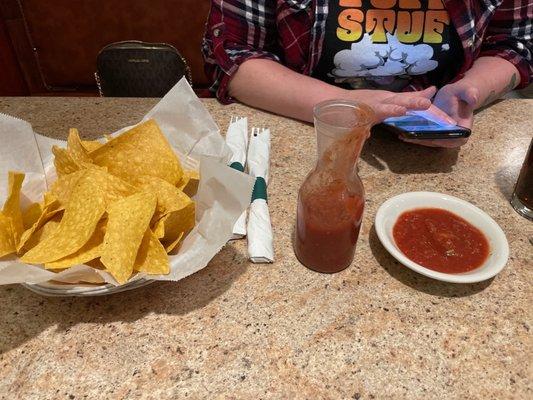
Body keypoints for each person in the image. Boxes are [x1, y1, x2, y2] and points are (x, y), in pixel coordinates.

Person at [202, 0, 532, 147]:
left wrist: (473, 89)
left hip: (435, 151)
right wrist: (342, 103)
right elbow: (232, 58)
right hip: (308, 132)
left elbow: (516, 44)